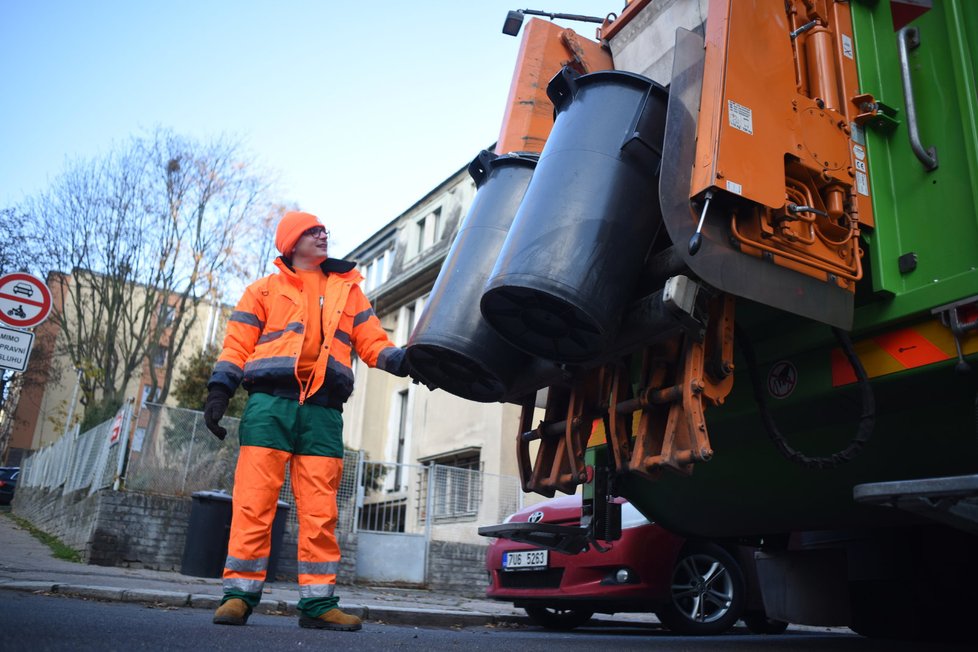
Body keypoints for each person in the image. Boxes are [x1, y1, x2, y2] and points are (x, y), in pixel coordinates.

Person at [204, 210, 409, 631]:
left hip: (322, 410)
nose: (323, 235)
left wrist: (403, 360)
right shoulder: (261, 291)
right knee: (253, 502)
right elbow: (237, 345)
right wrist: (219, 390)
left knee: (320, 510)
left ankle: (318, 605)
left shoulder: (349, 292)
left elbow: (373, 342)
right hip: (269, 405)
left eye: (324, 231)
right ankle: (238, 596)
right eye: (313, 232)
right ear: (291, 243)